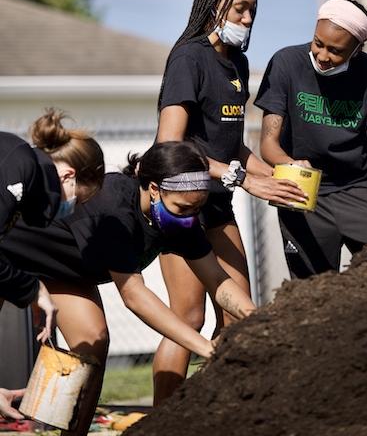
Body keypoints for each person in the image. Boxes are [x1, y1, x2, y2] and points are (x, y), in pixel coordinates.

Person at [1, 140, 256, 436]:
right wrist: (206, 349)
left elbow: (217, 279)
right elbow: (134, 295)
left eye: (196, 208)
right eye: (184, 208)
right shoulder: (114, 208)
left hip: (62, 272)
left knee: (92, 340)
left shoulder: (179, 219)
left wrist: (256, 317)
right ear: (155, 189)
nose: (189, 217)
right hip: (8, 255)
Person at [154, 0, 306, 404]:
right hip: (179, 203)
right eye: (239, 9)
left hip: (217, 203)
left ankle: (219, 413)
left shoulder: (237, 63)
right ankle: (162, 421)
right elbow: (171, 143)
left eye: (253, 11)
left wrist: (279, 177)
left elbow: (232, 146)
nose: (247, 19)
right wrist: (243, 180)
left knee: (239, 316)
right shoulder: (188, 57)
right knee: (187, 317)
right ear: (214, 4)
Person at [255, 0, 367, 279]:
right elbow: (268, 143)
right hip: (304, 193)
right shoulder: (286, 64)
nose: (323, 56)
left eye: (336, 51)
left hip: (360, 190)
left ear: (358, 49)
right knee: (312, 294)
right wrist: (290, 163)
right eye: (318, 43)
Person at [0, 108, 105, 420]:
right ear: (69, 176)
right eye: (79, 200)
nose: (72, 209)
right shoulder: (18, 171)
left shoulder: (21, 166)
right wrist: (34, 290)